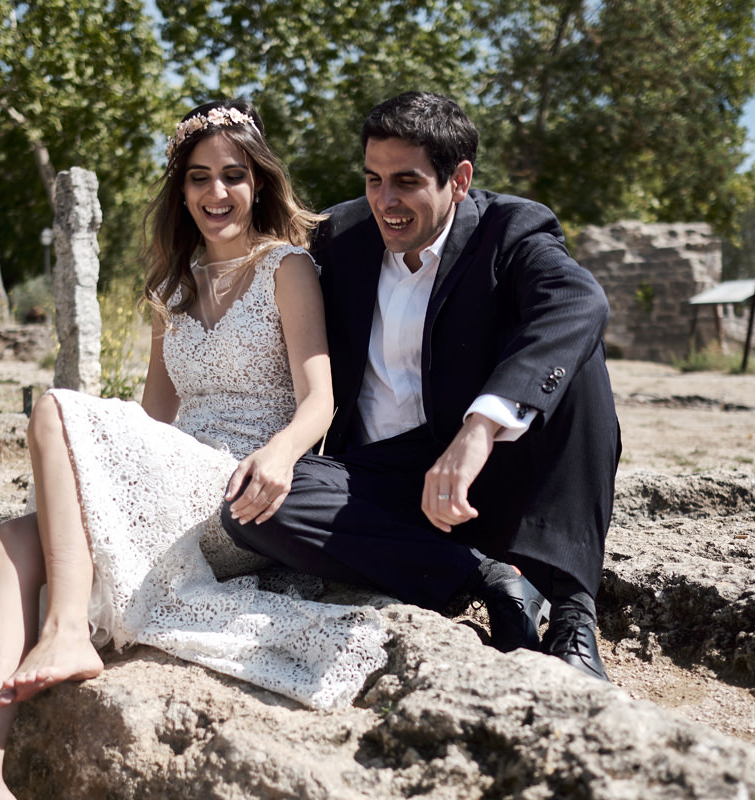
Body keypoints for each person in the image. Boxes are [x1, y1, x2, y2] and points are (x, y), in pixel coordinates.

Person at [0, 100, 387, 800]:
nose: (217, 193)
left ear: (260, 183)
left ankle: (66, 629)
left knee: (56, 407)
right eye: (198, 177)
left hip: (239, 488)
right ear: (180, 191)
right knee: (12, 537)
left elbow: (320, 401)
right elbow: (156, 416)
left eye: (234, 176)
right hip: (171, 470)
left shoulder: (287, 268)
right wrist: (89, 475)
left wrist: (279, 456)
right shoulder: (171, 288)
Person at [223, 92, 621, 681]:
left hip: (497, 470)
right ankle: (485, 575)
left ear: (458, 180)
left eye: (406, 182)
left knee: (576, 357)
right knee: (253, 507)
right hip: (388, 477)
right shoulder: (339, 237)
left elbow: (579, 301)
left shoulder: (511, 229)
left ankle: (571, 611)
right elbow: (240, 241)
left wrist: (479, 426)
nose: (386, 202)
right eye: (373, 179)